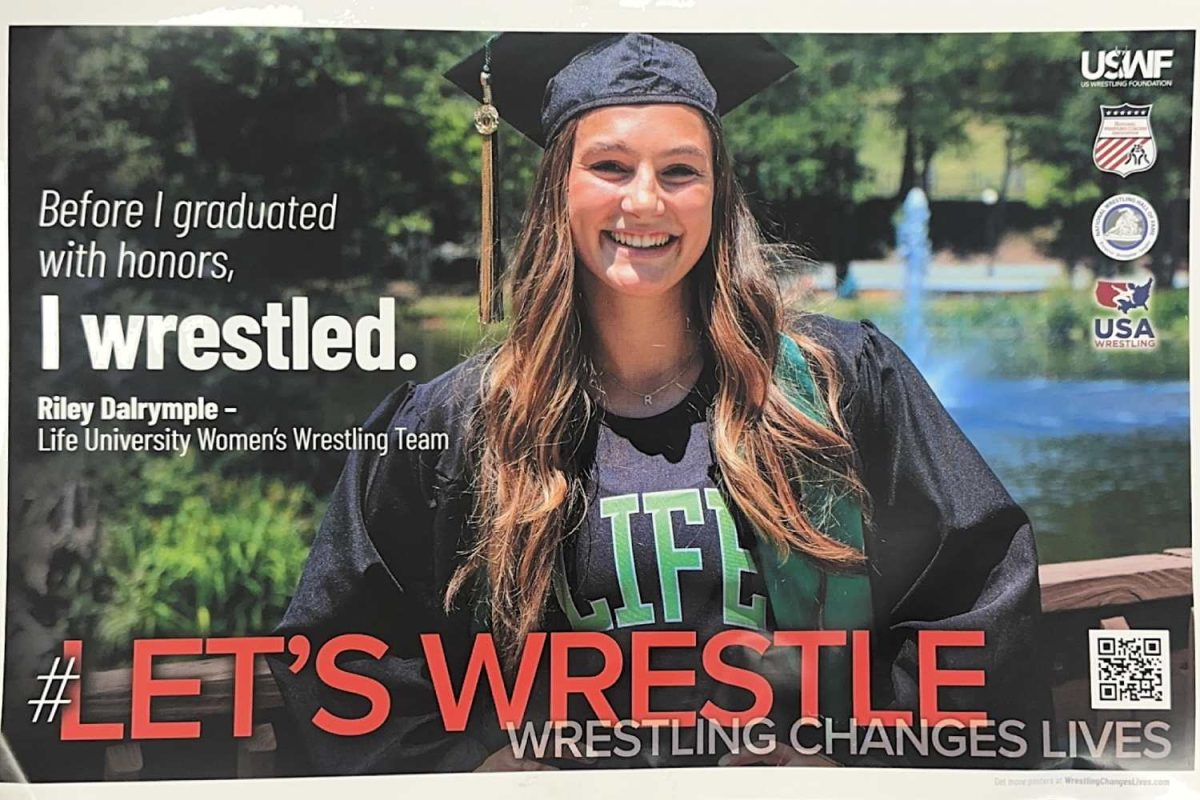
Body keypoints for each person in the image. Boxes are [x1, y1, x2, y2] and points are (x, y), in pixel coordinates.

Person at [269, 32, 1048, 774]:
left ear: (716, 196)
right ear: (558, 191)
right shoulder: (459, 426)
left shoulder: (834, 387)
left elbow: (976, 606)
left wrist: (835, 761)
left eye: (681, 171)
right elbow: (341, 658)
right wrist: (486, 766)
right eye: (610, 165)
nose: (646, 202)